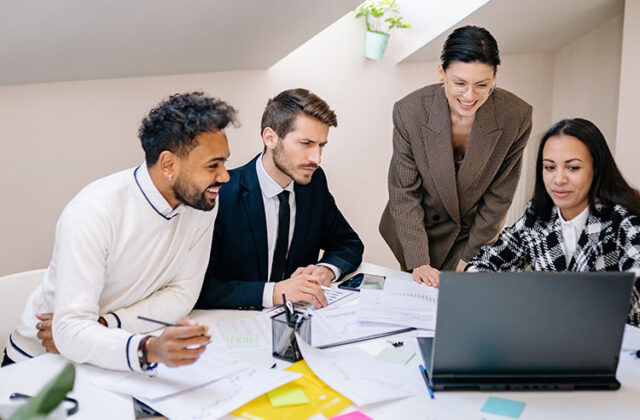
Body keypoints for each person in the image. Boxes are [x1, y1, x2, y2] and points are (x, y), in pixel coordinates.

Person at [3, 92, 238, 371]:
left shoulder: (202, 201)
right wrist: (148, 349)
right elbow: (68, 330)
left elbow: (183, 293)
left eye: (224, 162)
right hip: (39, 361)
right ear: (168, 165)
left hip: (113, 349)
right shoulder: (92, 213)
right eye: (213, 165)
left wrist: (106, 324)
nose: (225, 176)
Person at [379, 25, 532, 287]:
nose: (469, 96)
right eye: (459, 83)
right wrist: (418, 261)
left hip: (470, 233)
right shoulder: (409, 112)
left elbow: (500, 195)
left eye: (482, 85)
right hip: (417, 231)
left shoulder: (516, 116)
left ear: (495, 76)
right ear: (441, 73)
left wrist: (471, 256)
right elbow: (404, 192)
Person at [196, 88, 364, 310]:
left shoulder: (314, 182)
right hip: (237, 324)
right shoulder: (221, 194)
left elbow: (348, 244)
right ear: (270, 138)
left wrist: (325, 270)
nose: (317, 158)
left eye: (321, 145)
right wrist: (274, 292)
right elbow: (201, 287)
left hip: (301, 320)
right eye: (306, 143)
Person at [466, 118, 640, 326]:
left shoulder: (624, 220)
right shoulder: (537, 217)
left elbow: (634, 290)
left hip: (619, 346)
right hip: (549, 340)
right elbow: (482, 265)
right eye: (549, 167)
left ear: (596, 170)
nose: (558, 179)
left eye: (573, 168)